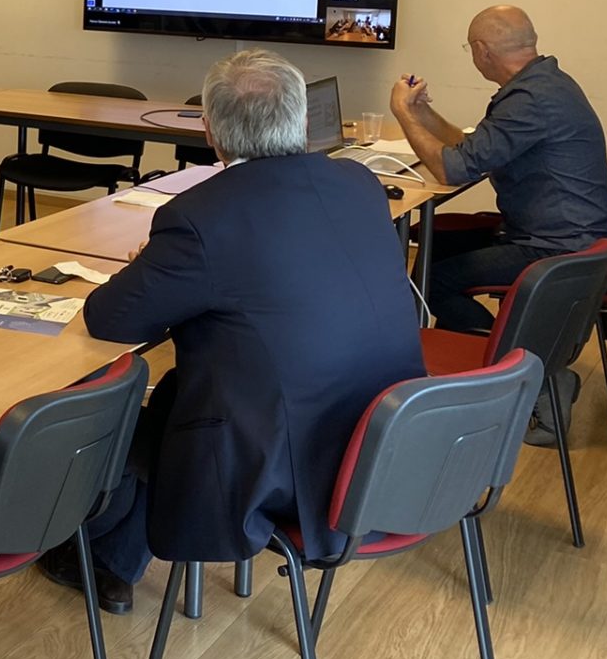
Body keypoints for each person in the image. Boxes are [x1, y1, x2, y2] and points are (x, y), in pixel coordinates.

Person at [41, 50, 424, 615]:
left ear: (211, 131)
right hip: (388, 432)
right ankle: (112, 556)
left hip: (287, 462)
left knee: (132, 398)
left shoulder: (202, 214)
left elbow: (110, 319)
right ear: (303, 121)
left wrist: (156, 268)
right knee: (178, 394)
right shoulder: (357, 182)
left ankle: (90, 544)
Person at [389, 6, 607, 434]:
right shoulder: (545, 84)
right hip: (576, 236)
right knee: (435, 247)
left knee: (429, 281)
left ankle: (526, 376)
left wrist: (402, 112)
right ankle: (498, 373)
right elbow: (473, 149)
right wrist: (422, 114)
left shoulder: (530, 100)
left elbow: (452, 169)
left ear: (482, 51)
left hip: (559, 248)